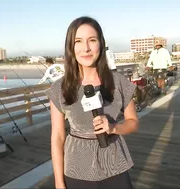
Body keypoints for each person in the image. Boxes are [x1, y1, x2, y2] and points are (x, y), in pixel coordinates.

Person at [45, 16, 139, 189]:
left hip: (114, 164)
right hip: (76, 167)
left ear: (100, 44)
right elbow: (57, 137)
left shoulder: (118, 82)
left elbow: (133, 123)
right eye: (78, 41)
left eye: (92, 40)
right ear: (70, 47)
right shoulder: (60, 88)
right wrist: (59, 182)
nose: (86, 48)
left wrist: (114, 128)